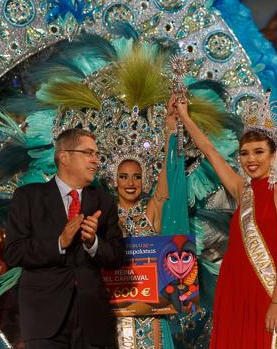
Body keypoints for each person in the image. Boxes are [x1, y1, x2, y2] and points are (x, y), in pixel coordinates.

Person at [175, 95, 277, 348]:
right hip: (234, 287)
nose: (251, 159)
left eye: (259, 152)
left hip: (267, 289)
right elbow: (209, 151)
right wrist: (185, 117)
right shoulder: (241, 189)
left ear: (273, 156)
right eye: (244, 153)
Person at [4, 128, 125, 349]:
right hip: (44, 319)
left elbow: (117, 255)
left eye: (97, 154)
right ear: (64, 156)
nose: (95, 161)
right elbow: (14, 252)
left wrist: (93, 244)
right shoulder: (29, 198)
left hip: (93, 320)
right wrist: (59, 242)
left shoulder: (103, 201)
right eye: (88, 153)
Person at [108, 109, 175, 349]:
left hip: (150, 316)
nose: (130, 183)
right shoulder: (104, 214)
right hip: (112, 314)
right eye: (124, 177)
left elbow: (165, 183)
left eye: (137, 177)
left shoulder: (151, 211)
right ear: (113, 179)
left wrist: (170, 132)